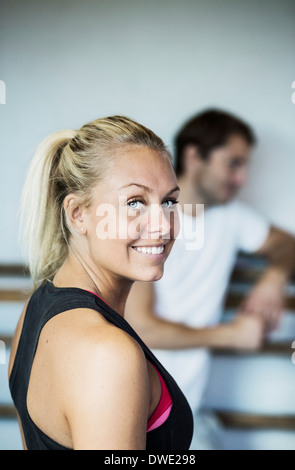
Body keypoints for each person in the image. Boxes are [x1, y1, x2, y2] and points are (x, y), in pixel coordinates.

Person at [8, 115, 194, 450]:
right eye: (135, 202)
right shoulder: (107, 353)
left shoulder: (37, 306)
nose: (163, 226)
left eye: (169, 201)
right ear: (78, 214)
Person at [124, 109, 295, 450]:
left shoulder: (231, 218)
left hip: (189, 411)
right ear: (194, 156)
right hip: (139, 416)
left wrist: (273, 279)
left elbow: (287, 244)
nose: (242, 178)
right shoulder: (152, 223)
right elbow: (141, 327)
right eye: (233, 164)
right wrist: (231, 335)